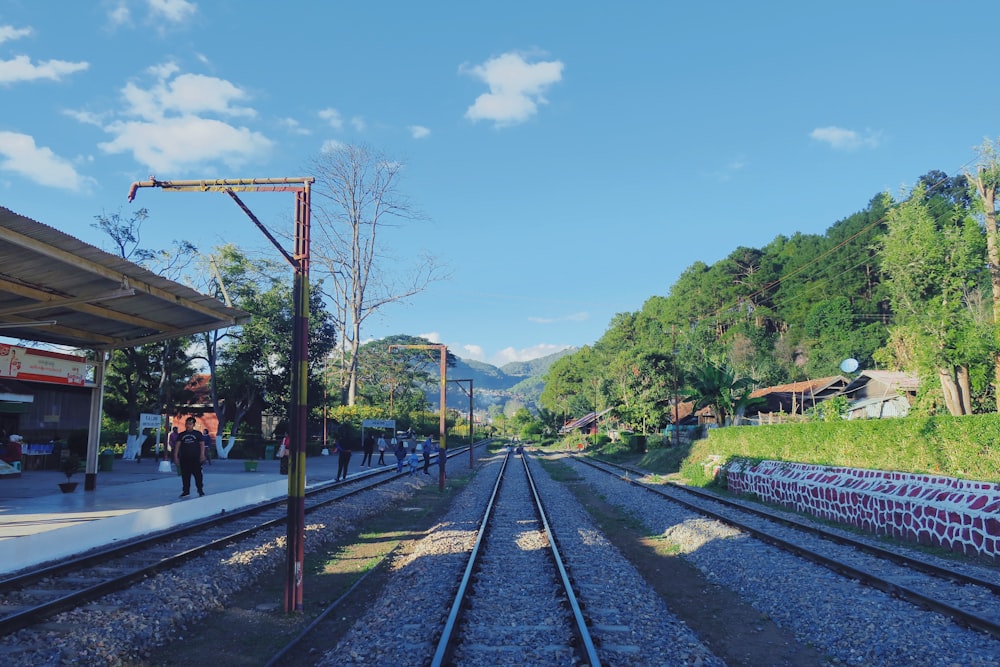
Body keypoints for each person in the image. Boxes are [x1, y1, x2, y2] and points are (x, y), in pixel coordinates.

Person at [174, 417, 206, 498]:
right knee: (185, 476)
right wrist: (175, 457)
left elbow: (202, 445)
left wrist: (202, 455)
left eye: (190, 424)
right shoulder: (181, 435)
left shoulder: (198, 434)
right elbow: (177, 446)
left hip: (195, 458)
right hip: (184, 458)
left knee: (198, 475)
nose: (188, 425)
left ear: (193, 425)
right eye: (186, 424)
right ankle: (186, 491)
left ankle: (200, 490)